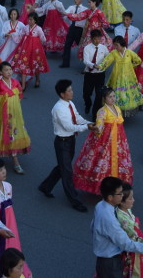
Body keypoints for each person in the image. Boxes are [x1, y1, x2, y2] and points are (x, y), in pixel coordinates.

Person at [92, 176, 143, 278]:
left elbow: (92, 226)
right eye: (120, 193)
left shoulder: (100, 205)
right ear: (110, 197)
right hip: (111, 263)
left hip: (104, 258)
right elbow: (127, 244)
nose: (122, 195)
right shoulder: (110, 220)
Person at [38, 79, 93, 212]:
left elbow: (77, 117)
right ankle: (75, 201)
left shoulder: (70, 104)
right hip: (62, 142)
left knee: (62, 167)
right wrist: (87, 127)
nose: (72, 92)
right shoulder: (58, 109)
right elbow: (68, 126)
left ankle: (45, 186)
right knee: (67, 171)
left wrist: (90, 123)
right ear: (62, 94)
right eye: (69, 90)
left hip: (70, 140)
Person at [0, 61, 31, 174]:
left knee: (13, 135)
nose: (9, 72)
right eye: (6, 70)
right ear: (1, 72)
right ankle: (14, 162)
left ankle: (15, 161)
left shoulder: (16, 82)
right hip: (3, 115)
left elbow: (20, 95)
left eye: (10, 69)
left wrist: (13, 106)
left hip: (15, 115)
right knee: (4, 133)